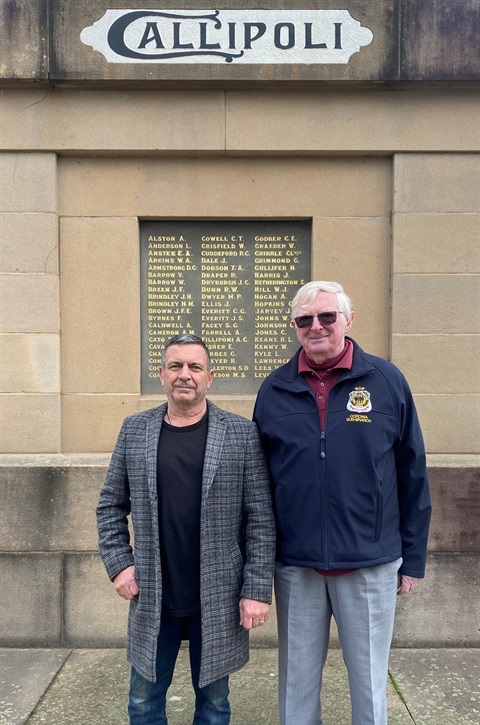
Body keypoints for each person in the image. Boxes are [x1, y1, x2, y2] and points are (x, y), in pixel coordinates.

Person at [253, 281, 431, 725]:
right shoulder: (274, 389)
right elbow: (257, 486)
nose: (317, 327)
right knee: (296, 683)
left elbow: (412, 472)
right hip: (297, 566)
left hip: (370, 562)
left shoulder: (387, 382)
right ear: (294, 327)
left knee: (370, 683)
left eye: (327, 317)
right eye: (305, 319)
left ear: (348, 321)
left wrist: (412, 560)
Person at [97, 333, 276, 725]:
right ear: (161, 374)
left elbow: (261, 520)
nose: (185, 375)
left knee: (213, 706)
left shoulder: (241, 434)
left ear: (209, 377)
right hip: (153, 593)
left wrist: (256, 590)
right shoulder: (134, 430)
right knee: (143, 703)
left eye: (195, 367)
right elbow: (110, 505)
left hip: (217, 596)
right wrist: (119, 565)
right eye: (176, 366)